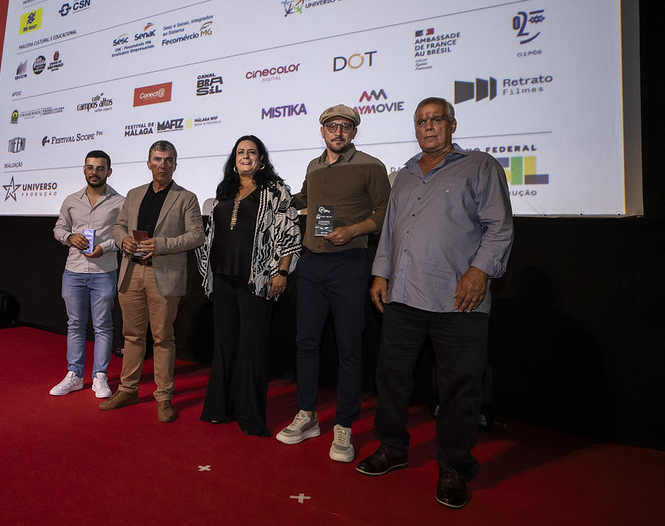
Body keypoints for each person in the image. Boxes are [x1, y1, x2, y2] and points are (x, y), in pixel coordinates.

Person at [358, 97, 513, 510]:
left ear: (452, 124)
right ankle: (392, 448)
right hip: (404, 295)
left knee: (459, 388)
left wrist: (480, 271)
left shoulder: (480, 166)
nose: (428, 127)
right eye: (421, 121)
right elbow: (390, 230)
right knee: (391, 377)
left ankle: (455, 467)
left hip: (458, 299)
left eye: (436, 119)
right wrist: (381, 272)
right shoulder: (405, 174)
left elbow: (499, 227)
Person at [276, 104, 391, 462]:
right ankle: (307, 415)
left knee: (349, 348)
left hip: (348, 265)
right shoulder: (313, 166)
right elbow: (306, 199)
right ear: (322, 130)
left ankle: (344, 425)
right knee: (305, 343)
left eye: (345, 127)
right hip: (311, 263)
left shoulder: (371, 165)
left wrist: (353, 230)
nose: (338, 132)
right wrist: (277, 195)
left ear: (353, 132)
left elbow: (385, 212)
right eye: (331, 126)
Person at [197, 135, 302, 436]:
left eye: (251, 152)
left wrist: (282, 272)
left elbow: (290, 232)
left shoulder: (276, 190)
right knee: (224, 345)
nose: (245, 156)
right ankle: (219, 408)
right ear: (234, 158)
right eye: (240, 152)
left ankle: (250, 416)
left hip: (257, 280)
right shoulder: (224, 189)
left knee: (253, 348)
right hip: (222, 277)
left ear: (261, 159)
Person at [99, 140, 203, 422]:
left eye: (168, 160)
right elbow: (119, 226)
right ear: (148, 163)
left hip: (164, 276)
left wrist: (162, 244)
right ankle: (127, 390)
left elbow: (197, 235)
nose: (162, 165)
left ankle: (164, 397)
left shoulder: (186, 198)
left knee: (163, 338)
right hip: (132, 272)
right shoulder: (134, 194)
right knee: (132, 336)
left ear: (175, 165)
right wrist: (123, 240)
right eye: (157, 159)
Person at [50, 150, 125, 398]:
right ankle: (74, 375)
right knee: (75, 325)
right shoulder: (71, 200)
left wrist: (106, 246)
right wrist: (69, 237)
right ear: (84, 169)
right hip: (73, 271)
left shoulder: (120, 202)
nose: (95, 172)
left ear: (109, 172)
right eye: (90, 167)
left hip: (104, 271)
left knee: (103, 326)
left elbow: (124, 237)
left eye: (100, 168)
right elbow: (59, 228)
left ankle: (100, 376)